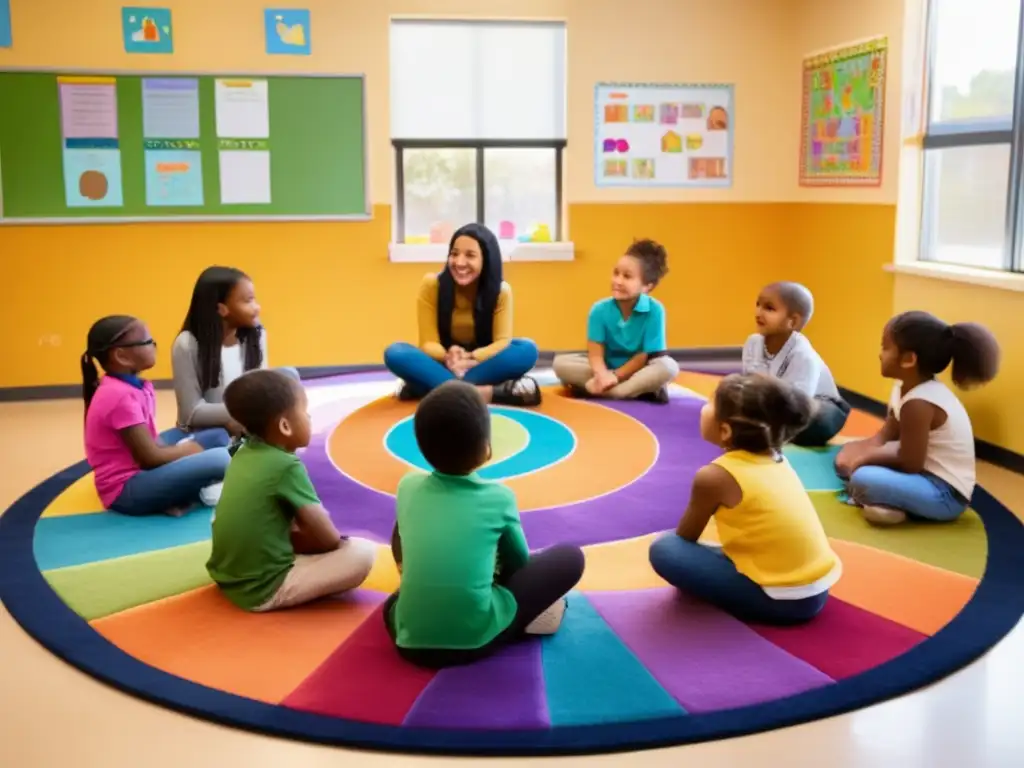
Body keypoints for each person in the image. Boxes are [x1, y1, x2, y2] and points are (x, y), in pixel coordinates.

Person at [385, 380, 585, 668]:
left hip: (408, 641)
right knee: (570, 558)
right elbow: (519, 563)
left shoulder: (407, 486)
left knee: (391, 603)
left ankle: (424, 597)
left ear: (421, 445)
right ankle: (518, 620)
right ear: (486, 448)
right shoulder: (499, 497)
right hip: (475, 641)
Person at [648, 373, 841, 625]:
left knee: (665, 548)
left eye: (710, 403)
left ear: (725, 430)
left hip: (782, 601)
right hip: (817, 588)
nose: (704, 409)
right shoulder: (777, 459)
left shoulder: (715, 477)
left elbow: (685, 536)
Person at [206, 369, 377, 611]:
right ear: (285, 426)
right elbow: (327, 538)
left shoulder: (244, 452)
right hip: (261, 590)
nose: (309, 417)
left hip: (226, 575)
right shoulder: (286, 465)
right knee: (362, 553)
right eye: (304, 412)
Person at [835, 311, 1000, 526]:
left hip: (944, 494)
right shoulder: (903, 387)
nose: (880, 355)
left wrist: (863, 460)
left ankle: (893, 506)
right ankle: (889, 503)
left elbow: (910, 461)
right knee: (844, 458)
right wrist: (855, 452)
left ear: (908, 359)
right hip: (920, 473)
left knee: (862, 479)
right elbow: (885, 435)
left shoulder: (920, 403)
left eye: (885, 348)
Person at [82, 315, 231, 516]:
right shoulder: (118, 396)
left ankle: (180, 490)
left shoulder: (136, 387)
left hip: (145, 468)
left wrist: (186, 452)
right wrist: (192, 450)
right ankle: (185, 491)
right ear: (121, 356)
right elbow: (150, 458)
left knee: (218, 434)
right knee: (221, 458)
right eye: (147, 342)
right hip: (127, 491)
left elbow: (153, 442)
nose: (154, 346)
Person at [383, 223, 541, 407]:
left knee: (526, 349)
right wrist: (448, 357)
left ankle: (428, 387)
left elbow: (502, 342)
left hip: (480, 365)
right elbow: (427, 343)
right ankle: (489, 393)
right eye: (454, 253)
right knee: (396, 352)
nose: (459, 262)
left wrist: (471, 358)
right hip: (444, 363)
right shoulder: (432, 285)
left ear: (486, 259)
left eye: (470, 255)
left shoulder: (501, 292)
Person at [172, 266, 298, 437]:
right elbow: (191, 412)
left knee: (288, 375)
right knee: (218, 440)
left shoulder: (256, 334)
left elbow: (258, 385)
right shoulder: (187, 344)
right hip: (209, 429)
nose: (257, 308)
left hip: (246, 419)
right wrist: (248, 412)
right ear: (221, 309)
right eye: (248, 301)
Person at [552, 238, 679, 403]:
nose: (618, 281)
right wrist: (602, 374)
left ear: (647, 286)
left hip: (638, 370)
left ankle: (608, 391)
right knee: (560, 363)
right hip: (606, 367)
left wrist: (615, 376)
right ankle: (633, 390)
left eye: (627, 277)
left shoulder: (655, 310)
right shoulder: (599, 309)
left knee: (668, 367)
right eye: (616, 273)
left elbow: (643, 357)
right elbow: (595, 353)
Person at [741, 281, 849, 446]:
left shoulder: (804, 355)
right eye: (758, 305)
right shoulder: (753, 343)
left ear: (793, 322)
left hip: (818, 405)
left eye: (769, 308)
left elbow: (800, 403)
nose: (759, 313)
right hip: (778, 402)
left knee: (815, 421)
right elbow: (750, 384)